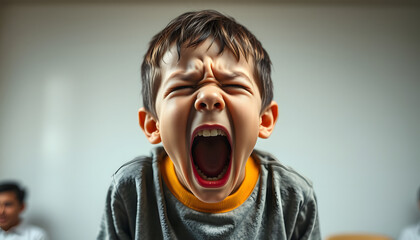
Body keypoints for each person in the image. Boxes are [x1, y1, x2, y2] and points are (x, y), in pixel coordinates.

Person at [98, 10, 321, 239]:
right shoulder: (131, 191)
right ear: (153, 125)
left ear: (264, 119)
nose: (209, 96)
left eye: (233, 85)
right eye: (182, 87)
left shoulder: (293, 197)